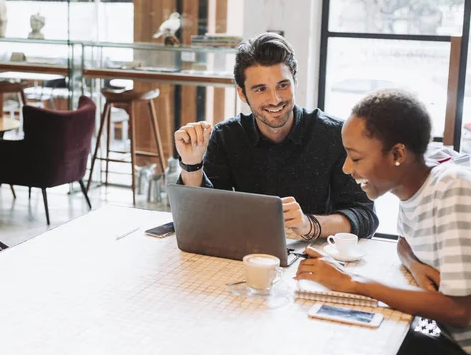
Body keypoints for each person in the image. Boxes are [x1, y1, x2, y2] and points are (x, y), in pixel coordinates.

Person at [296, 89, 471, 354]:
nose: (346, 168)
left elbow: (461, 311)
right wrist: (414, 265)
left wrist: (355, 283)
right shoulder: (413, 187)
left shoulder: (452, 187)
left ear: (398, 155)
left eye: (355, 158)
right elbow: (404, 241)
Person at [174, 33, 378, 239]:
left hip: (315, 256)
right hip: (247, 253)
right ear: (242, 94)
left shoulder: (334, 135)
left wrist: (309, 224)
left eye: (283, 85)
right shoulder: (227, 136)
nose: (275, 99)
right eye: (261, 89)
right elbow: (204, 216)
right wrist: (192, 164)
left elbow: (364, 215)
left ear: (295, 82)